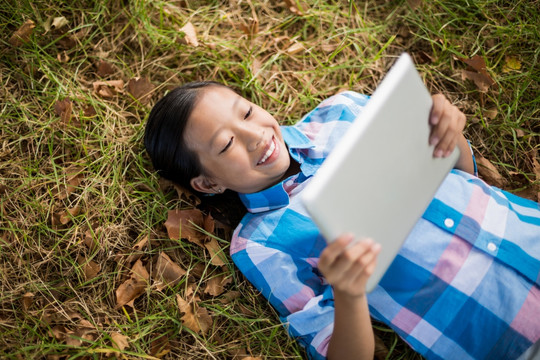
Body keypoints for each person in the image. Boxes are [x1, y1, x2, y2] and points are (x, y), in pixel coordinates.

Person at [144, 81, 540, 360]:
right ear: (209, 182)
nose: (254, 135)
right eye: (226, 144)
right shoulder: (260, 243)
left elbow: (460, 180)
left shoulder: (344, 111)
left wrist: (448, 140)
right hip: (508, 337)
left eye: (246, 111)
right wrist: (349, 293)